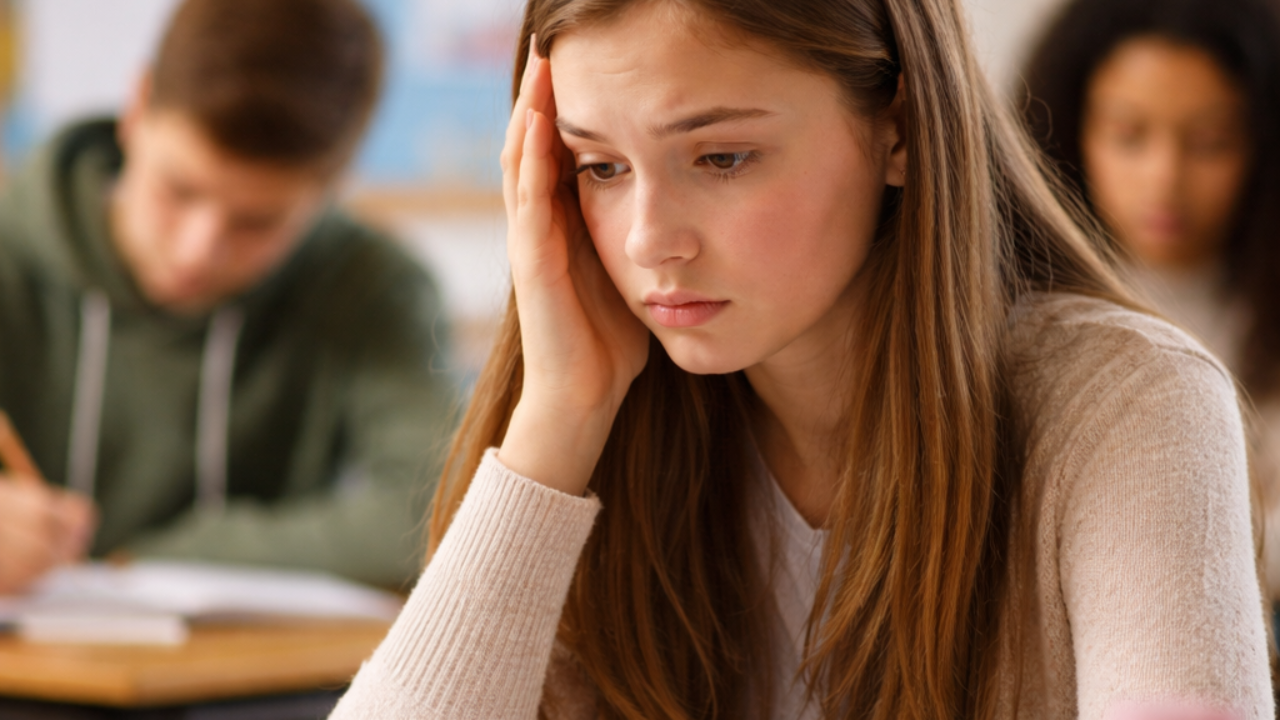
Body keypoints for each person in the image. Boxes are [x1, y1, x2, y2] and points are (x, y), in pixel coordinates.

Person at [332, 0, 1272, 717]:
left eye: (723, 158)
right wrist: (559, 416)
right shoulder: (615, 422)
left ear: (898, 131)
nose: (650, 242)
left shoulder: (1134, 403)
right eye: (600, 168)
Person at [0, 0, 457, 592]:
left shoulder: (374, 288)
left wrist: (160, 556)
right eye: (178, 190)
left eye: (257, 223)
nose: (197, 250)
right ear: (138, 108)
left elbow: (441, 514)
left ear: (330, 186)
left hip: (265, 679)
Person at [1020, 0, 1280, 598]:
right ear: (1070, 124)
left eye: (1210, 141)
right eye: (1129, 135)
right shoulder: (1018, 310)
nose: (1165, 176)